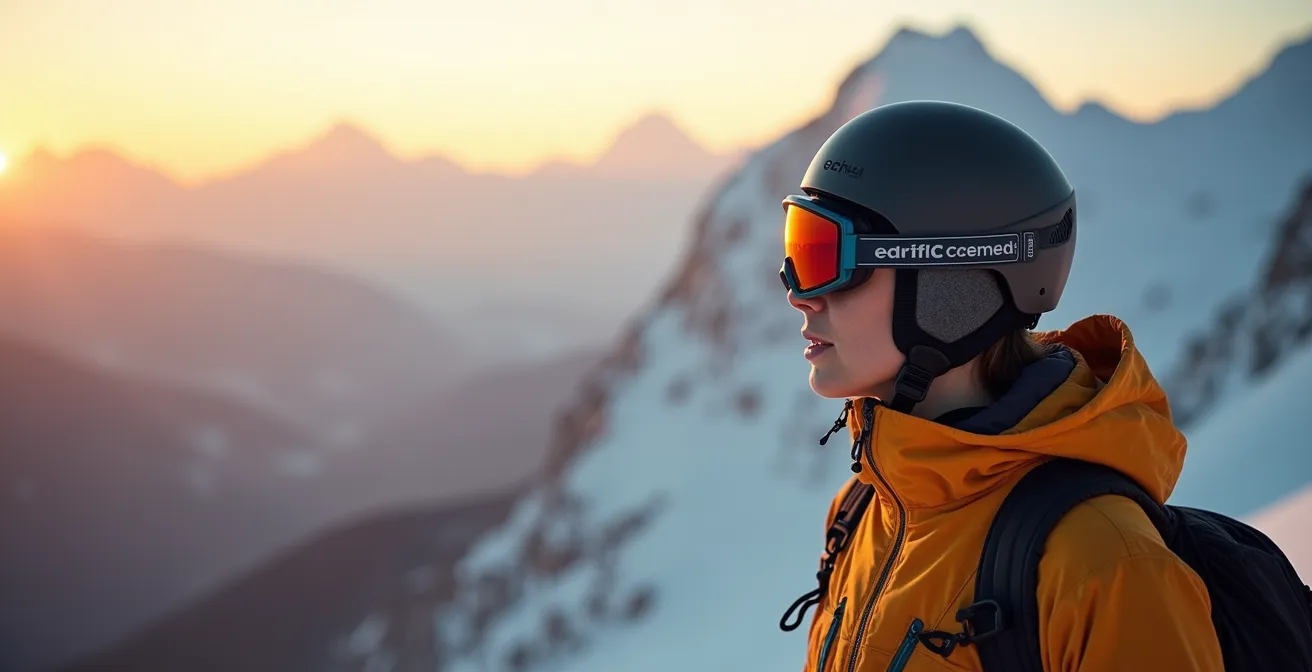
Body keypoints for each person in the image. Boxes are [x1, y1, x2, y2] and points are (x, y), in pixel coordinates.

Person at [776, 100, 1225, 672]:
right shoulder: (868, 508)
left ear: (951, 287)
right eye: (798, 245)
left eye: (828, 254)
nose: (798, 291)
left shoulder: (1103, 563)